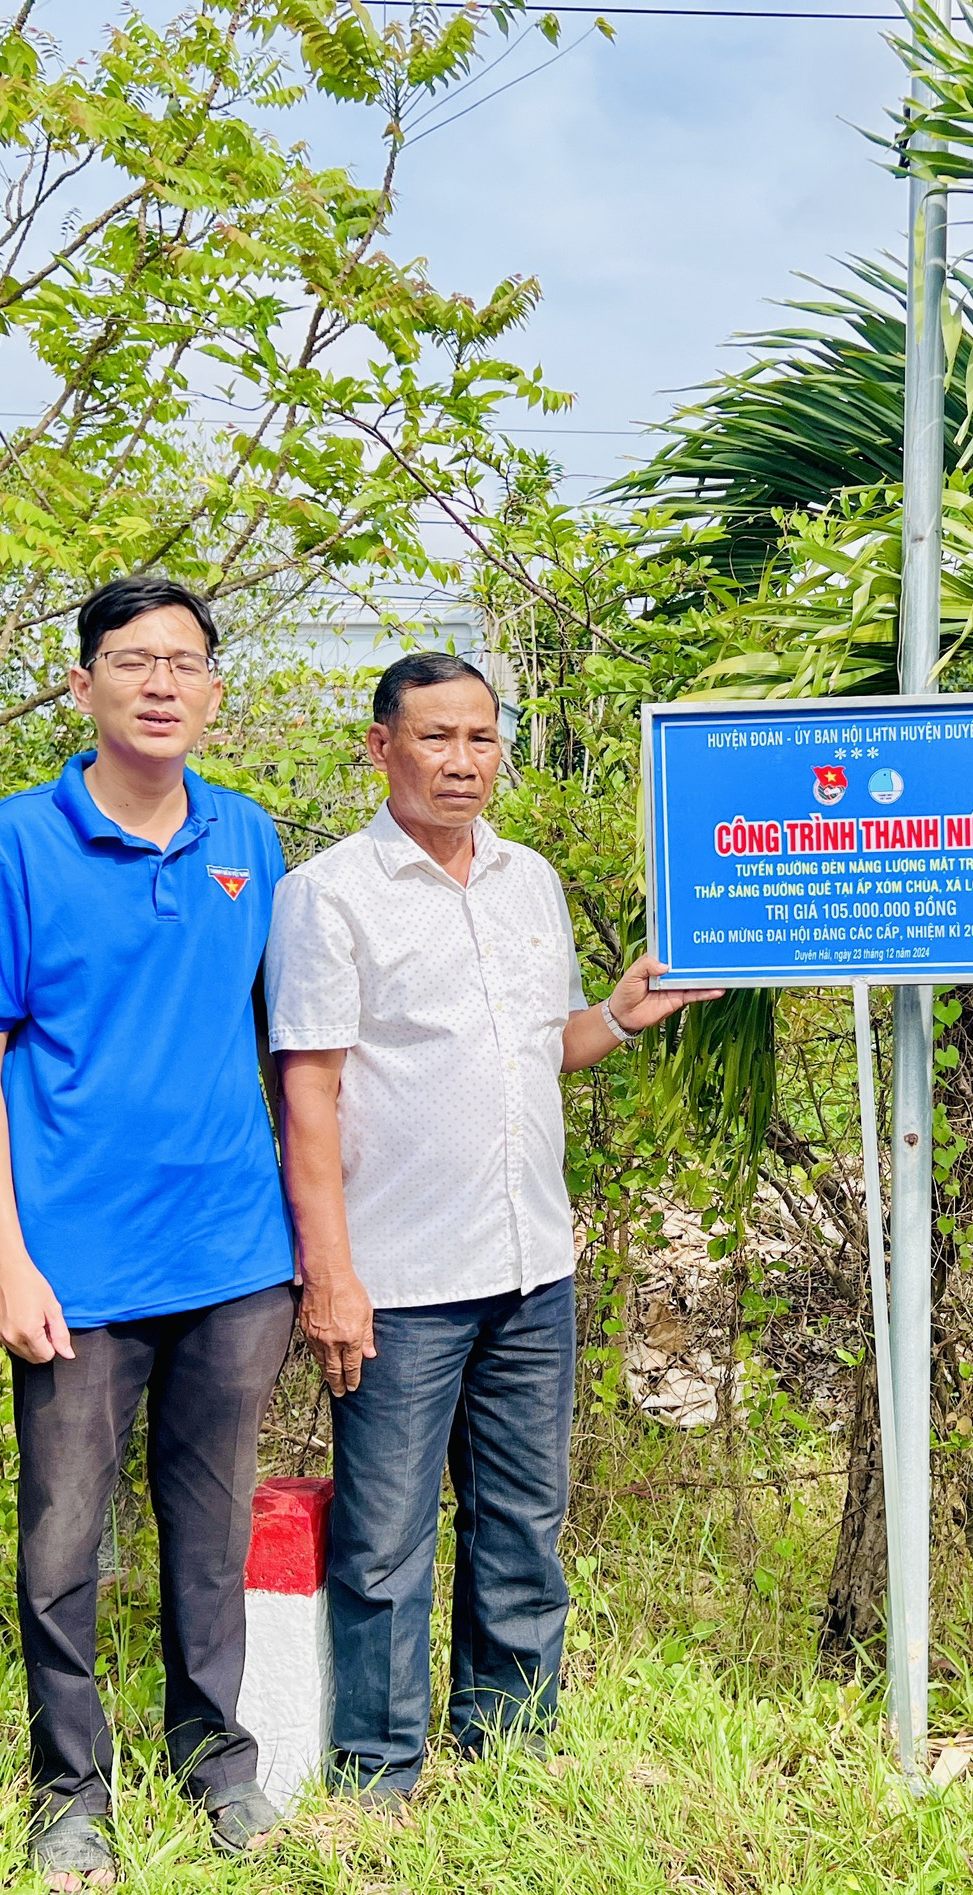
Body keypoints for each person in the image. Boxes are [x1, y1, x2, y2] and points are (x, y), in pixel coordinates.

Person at [264, 651, 717, 1802]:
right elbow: (305, 1095)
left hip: (532, 1265)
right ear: (380, 748)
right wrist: (331, 1276)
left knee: (523, 1520)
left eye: (480, 738)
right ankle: (379, 1766)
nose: (462, 761)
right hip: (400, 1272)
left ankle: (509, 1745)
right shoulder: (328, 895)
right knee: (383, 1538)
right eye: (435, 738)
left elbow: (538, 1049)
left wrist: (618, 1015)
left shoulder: (530, 880)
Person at [0, 576, 296, 1893]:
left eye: (187, 662)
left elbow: (285, 1046)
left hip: (236, 1260)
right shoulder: (15, 843)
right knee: (62, 1542)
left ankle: (219, 1764)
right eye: (134, 660)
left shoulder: (248, 836)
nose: (162, 683)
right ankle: (69, 1790)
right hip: (71, 1268)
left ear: (212, 689)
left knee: (211, 1532)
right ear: (82, 680)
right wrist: (3, 1247)